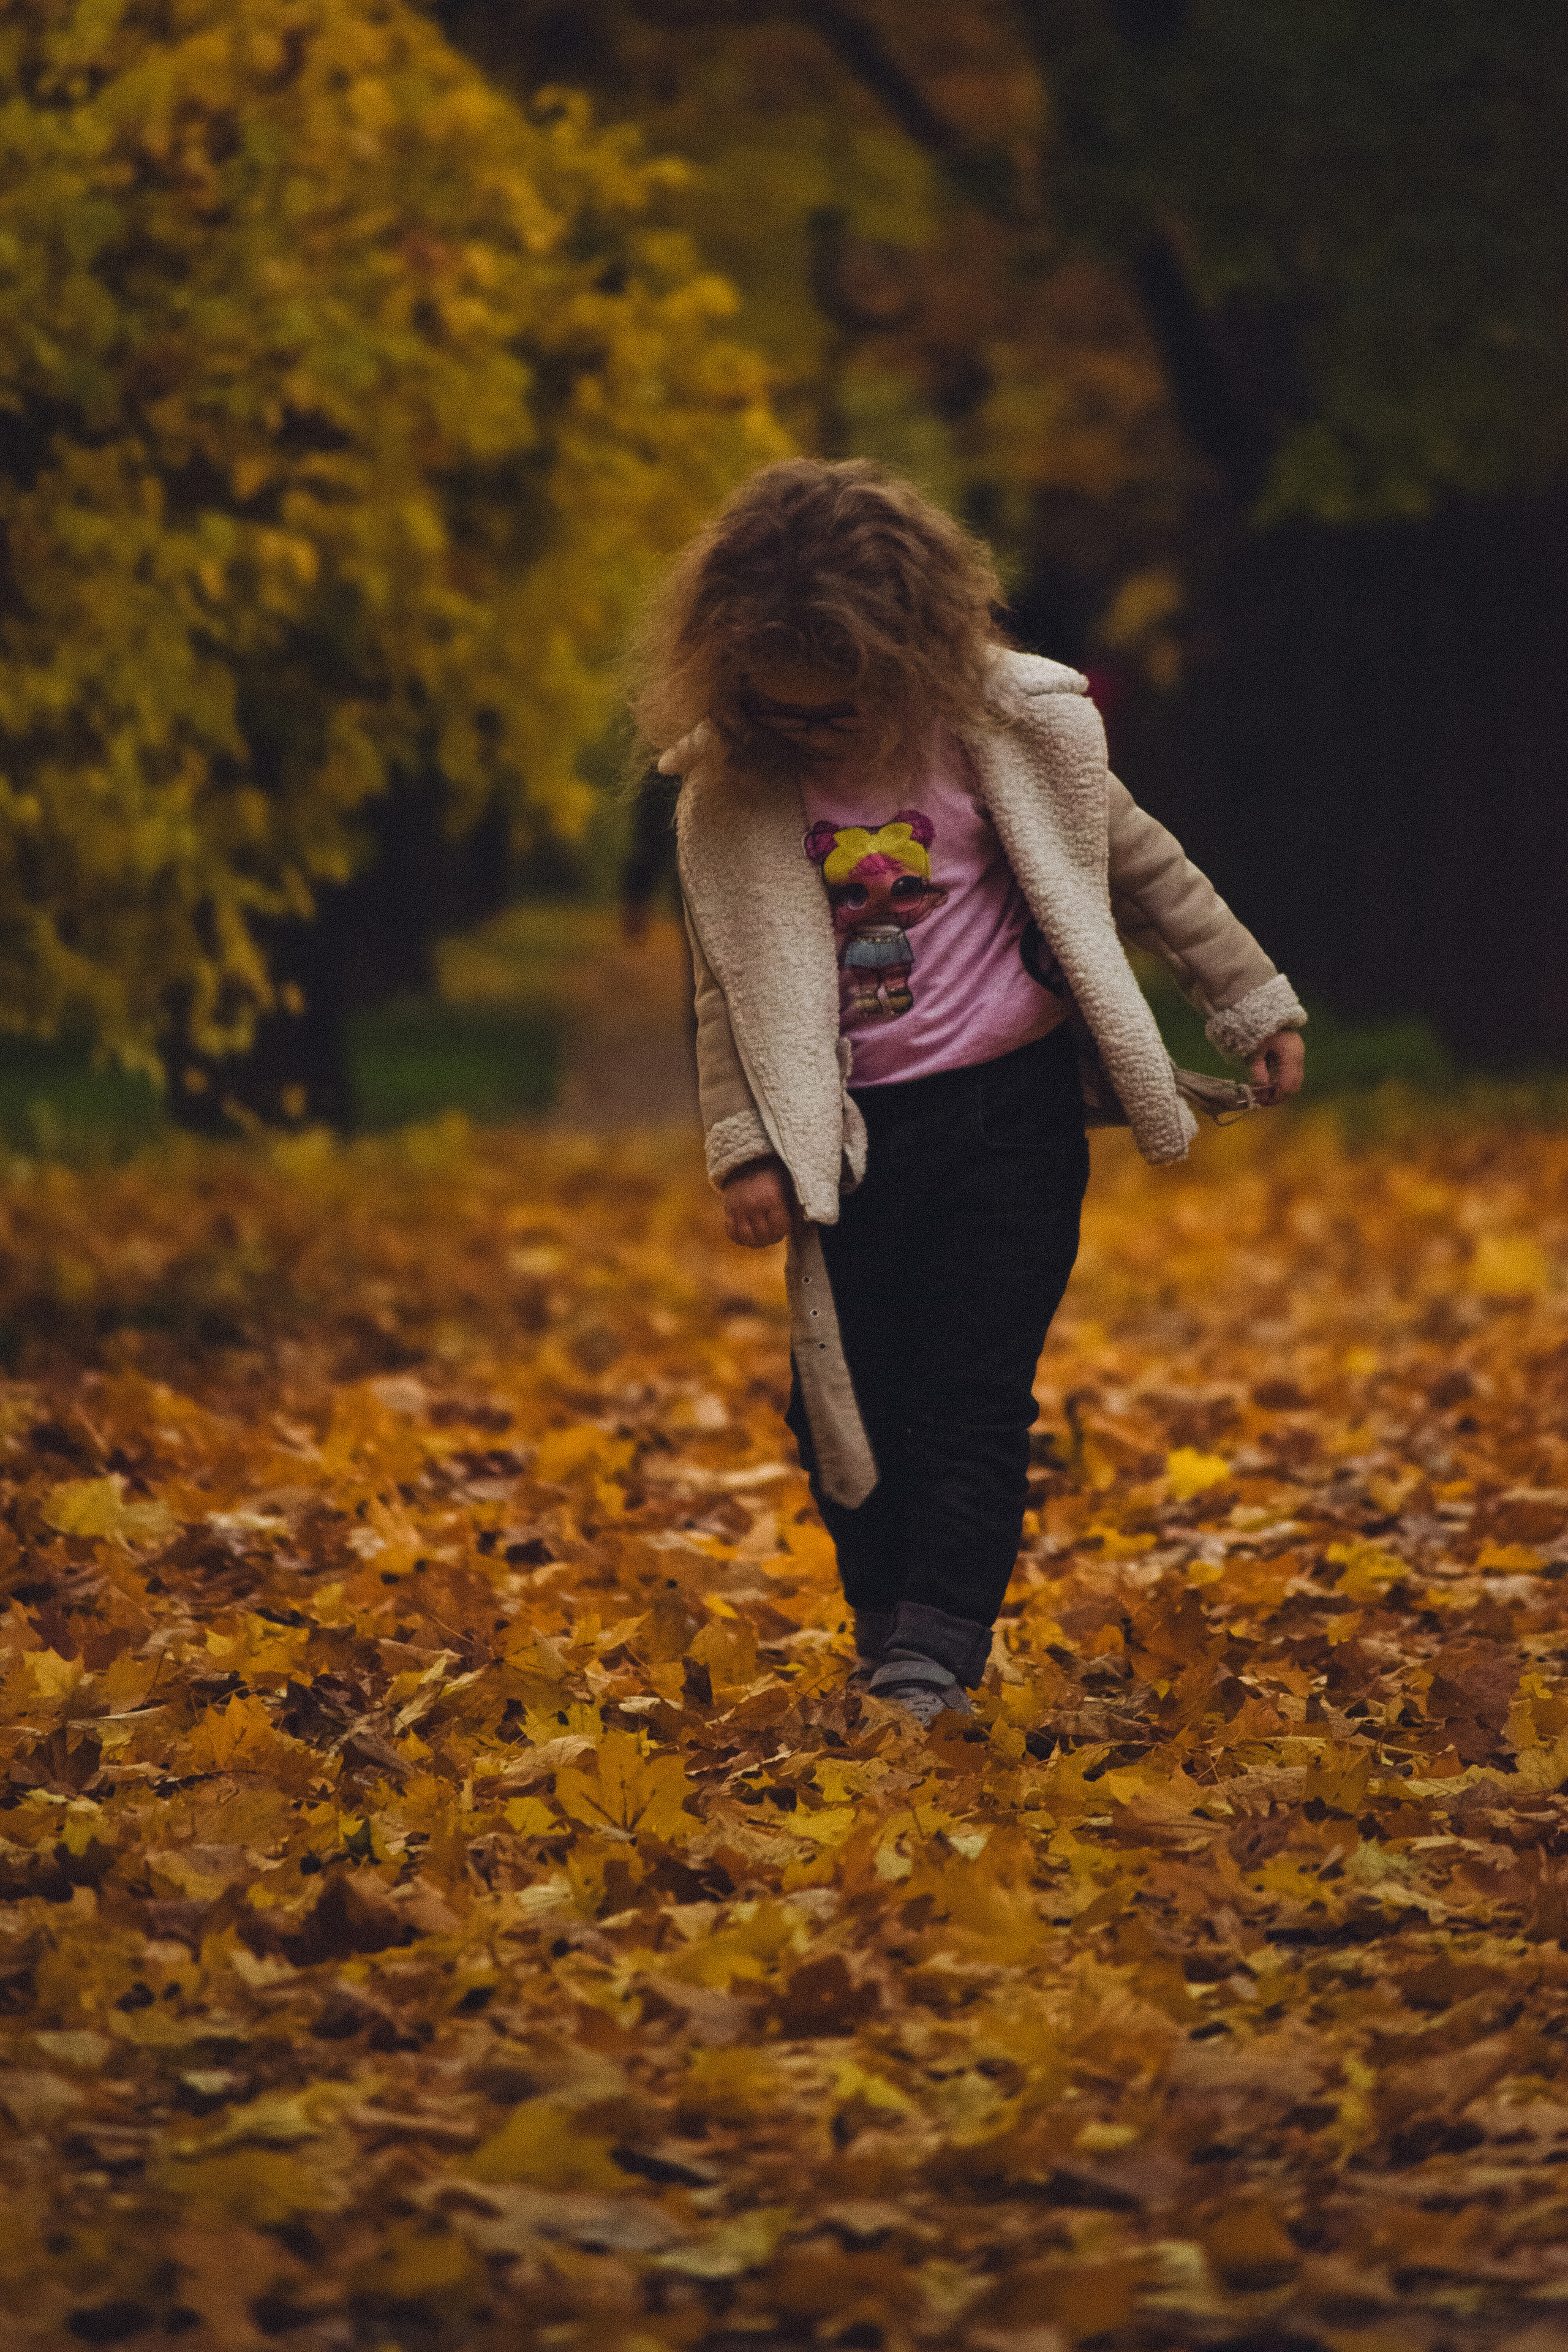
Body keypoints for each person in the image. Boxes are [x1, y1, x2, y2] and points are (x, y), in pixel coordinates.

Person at [629, 459, 1305, 1729]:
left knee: (973, 1387)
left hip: (1012, 1116)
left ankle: (935, 1647)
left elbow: (1148, 870)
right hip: (851, 1141)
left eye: (834, 716)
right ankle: (889, 1620)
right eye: (783, 716)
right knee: (838, 1397)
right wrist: (744, 1147)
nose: (810, 738)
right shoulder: (733, 788)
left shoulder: (1008, 735)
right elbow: (733, 984)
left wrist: (1248, 999)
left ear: (905, 664)